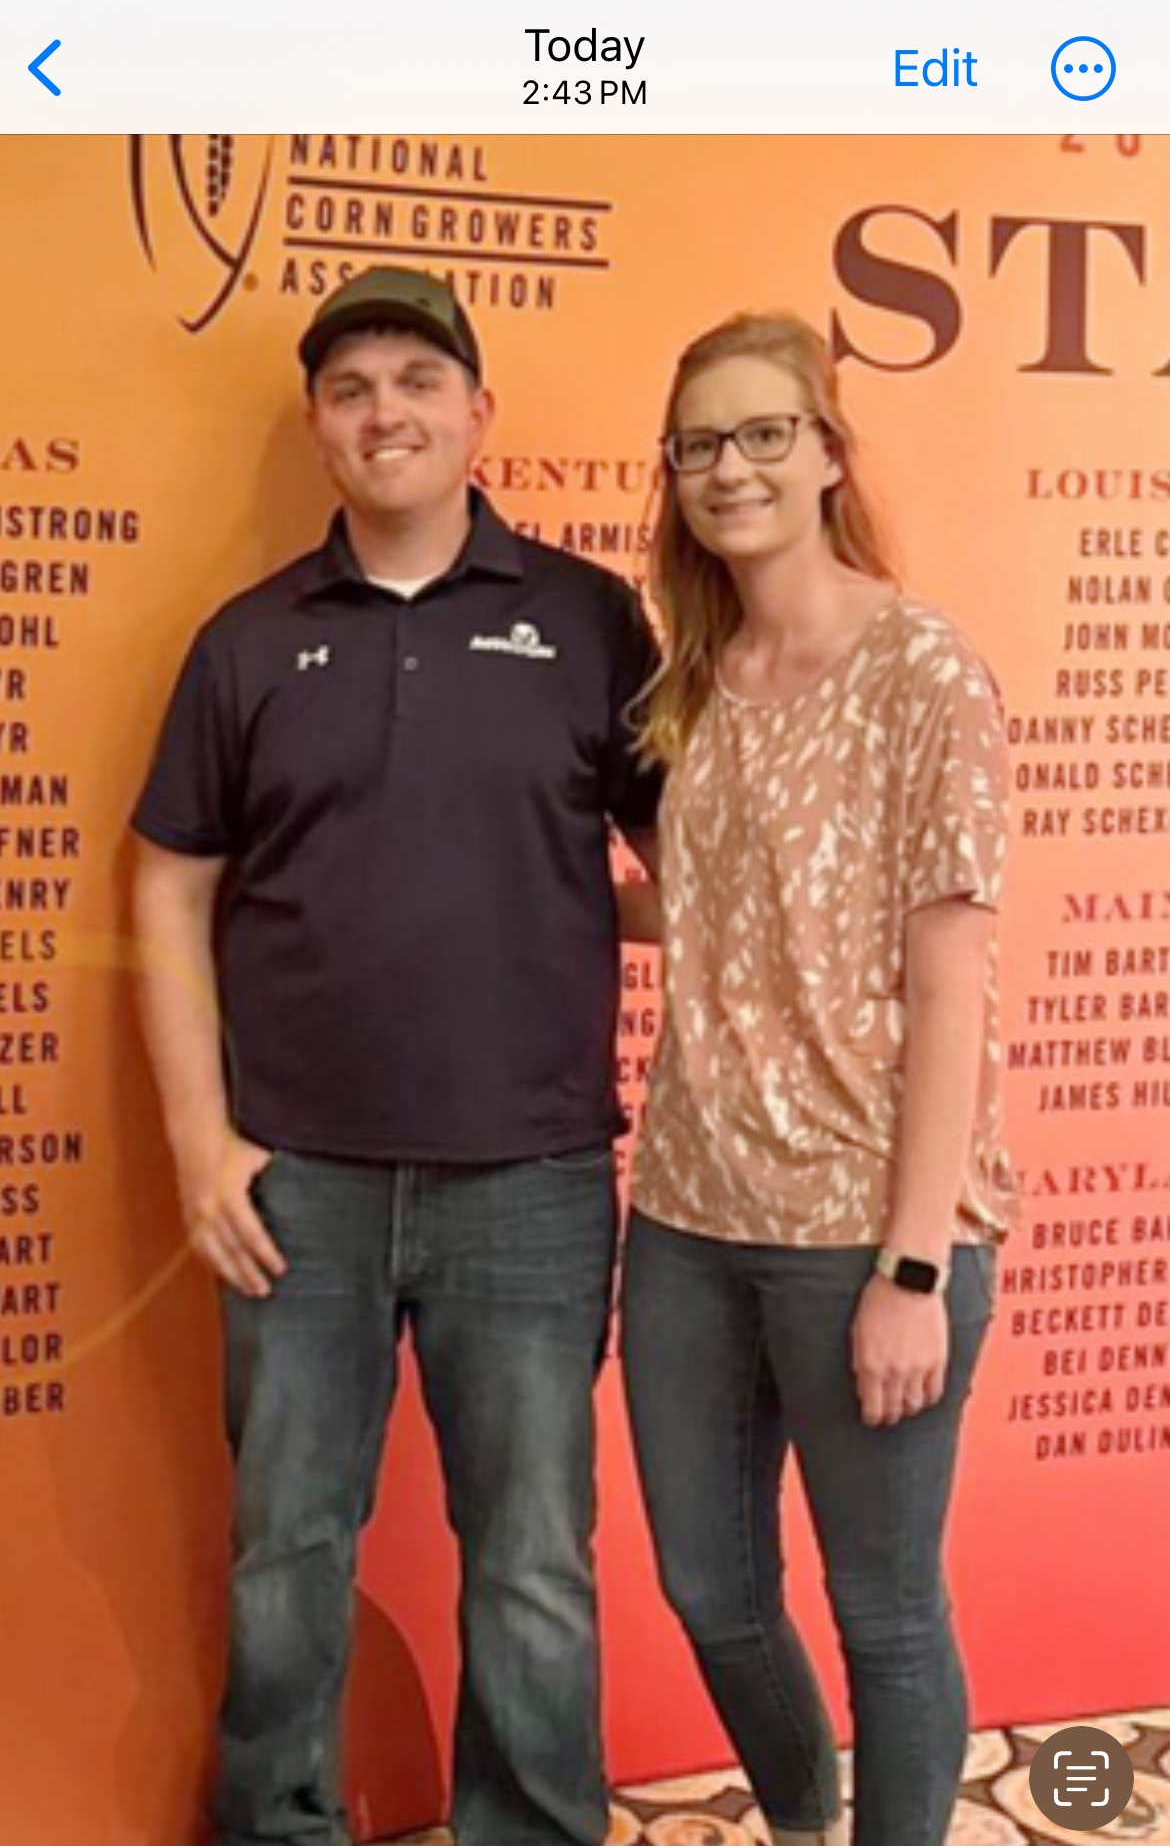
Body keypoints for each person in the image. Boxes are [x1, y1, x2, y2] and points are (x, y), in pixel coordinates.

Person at [131, 265, 661, 1846]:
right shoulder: (244, 642)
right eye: (352, 388)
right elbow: (167, 879)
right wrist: (198, 1139)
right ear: (319, 428)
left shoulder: (585, 616)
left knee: (532, 1557)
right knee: (287, 1546)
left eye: (418, 383)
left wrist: (613, 924)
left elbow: (690, 852)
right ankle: (277, 1822)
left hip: (536, 1174)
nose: (387, 412)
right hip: (296, 1180)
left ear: (478, 414)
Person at [620, 312, 1017, 1846]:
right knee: (709, 1588)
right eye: (700, 443)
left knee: (883, 1613)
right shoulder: (694, 678)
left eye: (763, 431)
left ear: (829, 450)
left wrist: (913, 1264)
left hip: (863, 1228)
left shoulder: (919, 665)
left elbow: (946, 979)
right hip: (687, 1217)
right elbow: (721, 902)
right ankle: (800, 1821)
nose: (730, 467)